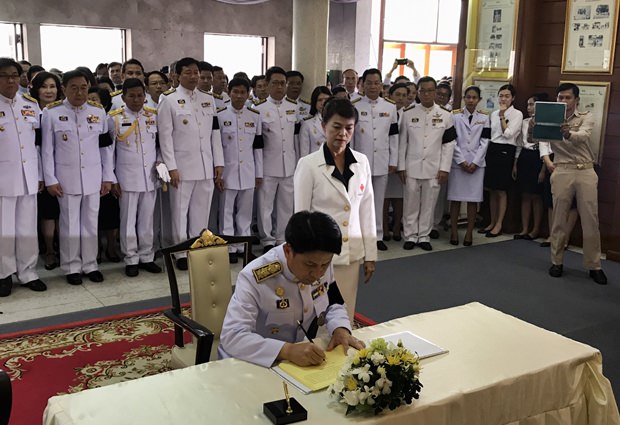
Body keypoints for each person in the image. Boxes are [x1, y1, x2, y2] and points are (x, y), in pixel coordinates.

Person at [218, 210, 364, 368]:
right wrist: (287, 351)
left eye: (325, 265)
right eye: (310, 265)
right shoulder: (255, 277)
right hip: (250, 362)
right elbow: (232, 336)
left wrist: (340, 327)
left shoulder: (320, 264)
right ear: (288, 251)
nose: (317, 274)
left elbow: (334, 301)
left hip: (296, 361)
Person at [294, 97, 377, 322]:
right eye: (336, 127)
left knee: (345, 314)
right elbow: (300, 216)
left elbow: (367, 210)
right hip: (318, 258)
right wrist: (301, 259)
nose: (342, 134)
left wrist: (370, 254)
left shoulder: (362, 162)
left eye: (348, 128)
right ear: (324, 127)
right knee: (318, 316)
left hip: (350, 254)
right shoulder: (308, 164)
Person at [41, 69, 115, 285]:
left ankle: (90, 264)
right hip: (66, 178)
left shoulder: (98, 112)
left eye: (83, 87)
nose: (79, 92)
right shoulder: (51, 113)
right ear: (64, 89)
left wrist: (107, 177)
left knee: (91, 222)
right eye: (74, 87)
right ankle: (72, 266)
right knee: (69, 223)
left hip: (93, 177)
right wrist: (50, 179)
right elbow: (47, 150)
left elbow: (105, 149)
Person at [158, 57, 224, 270]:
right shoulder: (168, 99)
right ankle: (180, 252)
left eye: (196, 72)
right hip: (182, 167)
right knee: (179, 211)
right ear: (177, 75)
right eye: (188, 72)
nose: (194, 76)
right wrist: (171, 167)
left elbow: (214, 133)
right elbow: (165, 137)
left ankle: (198, 248)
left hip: (205, 165)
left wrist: (218, 162)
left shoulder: (207, 99)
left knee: (201, 211)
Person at [544, 83, 606, 285]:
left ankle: (594, 265)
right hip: (562, 169)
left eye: (567, 98)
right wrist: (532, 127)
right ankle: (556, 261)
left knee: (590, 220)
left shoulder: (585, 117)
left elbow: (583, 136)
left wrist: (568, 132)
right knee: (559, 219)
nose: (563, 101)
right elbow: (536, 139)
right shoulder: (551, 117)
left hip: (585, 170)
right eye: (560, 97)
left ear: (576, 100)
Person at [0, 58, 47, 296]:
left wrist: (39, 174)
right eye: (5, 75)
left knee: (27, 228)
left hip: (28, 177)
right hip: (3, 179)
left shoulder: (29, 104)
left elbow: (36, 145)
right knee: (4, 230)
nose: (10, 80)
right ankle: (4, 274)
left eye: (14, 75)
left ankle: (28, 272)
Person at [109, 78, 162, 277]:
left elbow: (159, 145)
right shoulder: (114, 118)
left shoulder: (153, 116)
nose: (137, 99)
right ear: (123, 97)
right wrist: (112, 178)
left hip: (149, 177)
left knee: (147, 220)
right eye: (131, 95)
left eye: (140, 95)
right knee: (128, 220)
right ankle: (131, 258)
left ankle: (147, 256)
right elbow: (109, 152)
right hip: (126, 178)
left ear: (145, 95)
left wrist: (160, 164)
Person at [397, 76, 456, 251]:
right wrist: (401, 166)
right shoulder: (408, 113)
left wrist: (445, 168)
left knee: (429, 203)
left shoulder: (446, 115)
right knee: (410, 202)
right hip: (411, 166)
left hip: (434, 167)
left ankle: (424, 236)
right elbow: (402, 143)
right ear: (418, 92)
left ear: (435, 92)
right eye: (423, 90)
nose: (427, 94)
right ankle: (410, 235)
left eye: (431, 90)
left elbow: (449, 144)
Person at [351, 68, 399, 251]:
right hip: (359, 162)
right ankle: (358, 236)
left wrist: (393, 160)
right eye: (368, 83)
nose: (372, 86)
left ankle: (376, 235)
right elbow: (350, 137)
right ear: (362, 85)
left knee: (378, 200)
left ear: (381, 84)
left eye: (376, 82)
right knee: (359, 199)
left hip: (382, 160)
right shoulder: (354, 104)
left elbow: (393, 136)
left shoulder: (390, 106)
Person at [216, 77, 263, 263]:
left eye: (243, 92)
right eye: (235, 92)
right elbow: (217, 146)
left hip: (249, 171)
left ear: (248, 94)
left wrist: (258, 173)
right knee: (226, 211)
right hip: (227, 171)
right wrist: (218, 172)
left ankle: (244, 246)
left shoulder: (255, 115)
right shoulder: (219, 115)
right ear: (229, 92)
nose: (239, 95)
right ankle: (228, 249)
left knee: (245, 213)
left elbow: (258, 148)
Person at [253, 66, 300, 253]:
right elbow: (256, 144)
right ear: (267, 84)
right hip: (267, 164)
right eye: (275, 83)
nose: (279, 87)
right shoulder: (258, 109)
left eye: (282, 83)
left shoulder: (293, 107)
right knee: (265, 204)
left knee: (286, 205)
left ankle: (282, 237)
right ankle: (267, 240)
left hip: (289, 164)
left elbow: (296, 139)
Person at [447, 86, 490, 246]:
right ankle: (453, 232)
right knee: (455, 199)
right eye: (468, 97)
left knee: (473, 200)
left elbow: (485, 141)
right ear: (464, 98)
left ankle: (469, 233)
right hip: (459, 164)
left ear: (479, 100)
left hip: (476, 165)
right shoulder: (455, 116)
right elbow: (452, 140)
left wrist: (475, 162)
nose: (471, 100)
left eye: (474, 98)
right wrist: (461, 160)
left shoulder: (485, 117)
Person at [30, 71, 63, 271]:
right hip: (40, 169)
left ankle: (63, 248)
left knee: (63, 214)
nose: (49, 91)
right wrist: (42, 175)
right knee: (48, 213)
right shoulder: (30, 110)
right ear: (36, 89)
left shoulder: (62, 110)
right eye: (44, 87)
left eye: (52, 86)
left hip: (65, 168)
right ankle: (49, 250)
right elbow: (37, 147)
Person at [481, 84, 522, 237]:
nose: (503, 99)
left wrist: (503, 116)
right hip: (493, 149)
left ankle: (499, 224)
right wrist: (499, 114)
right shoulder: (494, 113)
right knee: (491, 189)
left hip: (506, 150)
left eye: (507, 96)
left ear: (513, 98)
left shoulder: (517, 114)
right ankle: (491, 221)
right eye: (501, 96)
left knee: (501, 190)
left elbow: (509, 134)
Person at [513, 94, 545, 240]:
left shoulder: (545, 123)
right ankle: (524, 228)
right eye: (528, 105)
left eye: (533, 105)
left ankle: (535, 229)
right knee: (525, 194)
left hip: (539, 157)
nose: (529, 108)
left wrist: (544, 169)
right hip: (525, 156)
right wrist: (515, 163)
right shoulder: (525, 122)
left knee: (536, 196)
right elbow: (520, 143)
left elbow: (548, 147)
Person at [383, 82, 409, 242]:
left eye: (404, 95)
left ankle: (397, 227)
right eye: (397, 95)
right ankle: (384, 228)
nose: (401, 98)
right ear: (390, 96)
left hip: (404, 161)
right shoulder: (385, 111)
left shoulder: (411, 113)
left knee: (399, 197)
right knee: (384, 197)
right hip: (386, 160)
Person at [298, 85, 331, 158]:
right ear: (314, 103)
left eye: (326, 99)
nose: (323, 103)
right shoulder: (307, 124)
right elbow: (304, 153)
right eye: (320, 100)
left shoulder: (337, 121)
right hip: (315, 164)